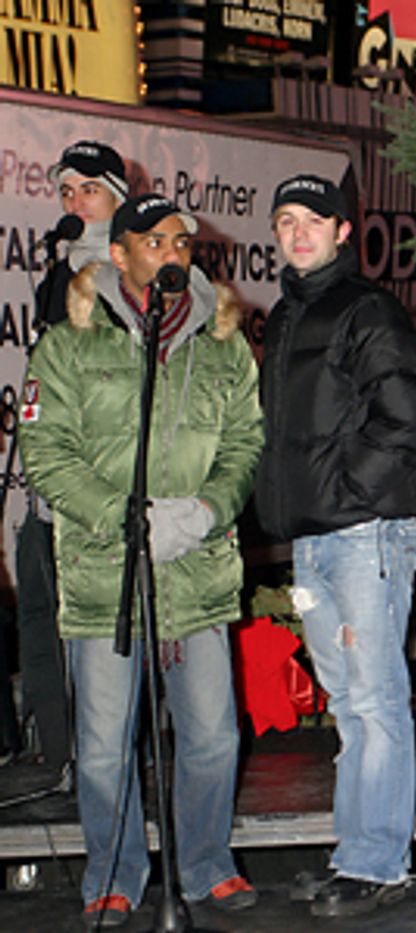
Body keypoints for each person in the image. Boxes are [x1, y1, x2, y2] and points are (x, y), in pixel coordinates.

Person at [18, 191, 262, 929]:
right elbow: (46, 452)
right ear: (118, 254)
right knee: (101, 750)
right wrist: (118, 517)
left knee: (215, 736)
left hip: (197, 570)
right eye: (154, 241)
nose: (172, 253)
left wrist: (205, 512)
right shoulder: (68, 345)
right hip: (106, 576)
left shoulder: (224, 342)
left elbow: (246, 445)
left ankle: (208, 864)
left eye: (182, 242)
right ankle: (114, 873)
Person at [255, 174, 416, 918]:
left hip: (364, 533)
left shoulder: (367, 308)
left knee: (374, 698)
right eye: (285, 220)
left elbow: (407, 419)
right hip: (313, 540)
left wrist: (347, 493)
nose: (298, 232)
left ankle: (376, 860)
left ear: (341, 232)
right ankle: (358, 851)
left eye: (312, 220)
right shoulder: (283, 318)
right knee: (348, 704)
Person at [11, 140, 128, 777]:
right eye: (66, 190)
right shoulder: (57, 271)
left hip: (106, 472)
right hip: (56, 469)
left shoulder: (128, 267)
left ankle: (108, 757)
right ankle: (62, 752)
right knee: (44, 605)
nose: (75, 201)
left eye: (89, 188)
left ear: (116, 197)